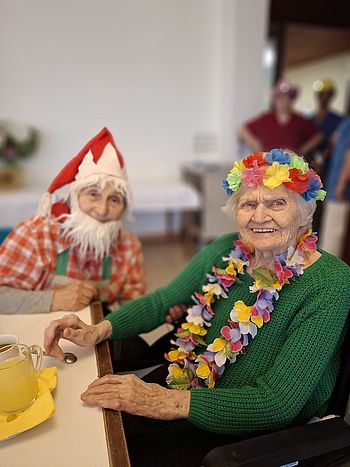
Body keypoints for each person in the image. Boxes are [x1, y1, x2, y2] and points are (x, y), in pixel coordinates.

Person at [44, 148, 350, 466]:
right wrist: (97, 329)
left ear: (305, 214)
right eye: (249, 203)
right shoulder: (226, 249)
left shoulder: (330, 283)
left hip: (255, 433)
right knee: (95, 424)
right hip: (193, 383)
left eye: (276, 203)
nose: (259, 216)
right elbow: (162, 301)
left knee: (122, 454)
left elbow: (277, 402)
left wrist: (166, 402)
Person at [0, 127, 146, 314]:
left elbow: (132, 305)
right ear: (74, 197)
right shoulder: (37, 233)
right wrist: (54, 299)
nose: (102, 209)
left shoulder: (129, 244)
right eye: (93, 194)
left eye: (114, 199)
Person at [238, 80, 322, 159]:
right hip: (268, 164)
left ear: (291, 100)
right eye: (279, 98)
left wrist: (302, 150)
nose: (282, 101)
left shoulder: (300, 120)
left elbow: (318, 136)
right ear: (275, 100)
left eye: (286, 98)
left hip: (291, 164)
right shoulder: (266, 118)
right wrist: (257, 146)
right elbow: (242, 129)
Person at [320, 117, 350, 256]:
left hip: (340, 189)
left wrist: (341, 184)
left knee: (333, 235)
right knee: (329, 232)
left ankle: (328, 273)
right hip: (334, 184)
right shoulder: (345, 123)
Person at [310, 78, 343, 181]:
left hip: (330, 166)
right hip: (310, 164)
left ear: (331, 97)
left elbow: (336, 143)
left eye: (326, 95)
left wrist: (321, 159)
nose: (323, 98)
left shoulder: (338, 120)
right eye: (320, 94)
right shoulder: (309, 120)